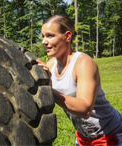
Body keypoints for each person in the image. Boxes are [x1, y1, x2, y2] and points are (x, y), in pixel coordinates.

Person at [36, 14, 122, 146]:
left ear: (67, 36)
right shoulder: (51, 65)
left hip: (110, 134)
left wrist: (49, 90)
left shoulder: (83, 63)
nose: (44, 41)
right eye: (43, 36)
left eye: (50, 36)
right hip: (83, 137)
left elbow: (85, 109)